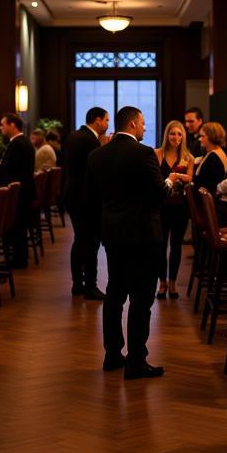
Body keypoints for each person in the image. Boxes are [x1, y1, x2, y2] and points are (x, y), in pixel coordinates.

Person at [86, 105, 170, 379]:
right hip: (144, 234)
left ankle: (112, 355)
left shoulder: (97, 155)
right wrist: (170, 183)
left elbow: (93, 197)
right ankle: (136, 360)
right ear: (133, 125)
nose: (145, 128)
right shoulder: (144, 154)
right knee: (141, 298)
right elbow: (159, 193)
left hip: (113, 233)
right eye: (143, 123)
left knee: (115, 294)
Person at [63, 106, 109, 299]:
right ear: (97, 120)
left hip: (74, 196)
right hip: (84, 199)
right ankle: (89, 286)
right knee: (90, 242)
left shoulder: (76, 135)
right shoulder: (89, 140)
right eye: (106, 120)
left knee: (80, 240)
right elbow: (98, 168)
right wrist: (105, 148)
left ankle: (78, 284)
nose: (107, 124)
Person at [154, 120, 193, 299]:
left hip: (180, 207)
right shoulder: (157, 154)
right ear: (166, 135)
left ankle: (172, 283)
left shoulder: (188, 157)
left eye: (179, 134)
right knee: (160, 246)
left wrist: (178, 176)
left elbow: (190, 178)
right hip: (161, 206)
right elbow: (154, 179)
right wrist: (177, 177)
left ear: (183, 136)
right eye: (172, 133)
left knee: (176, 246)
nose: (176, 137)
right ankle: (161, 282)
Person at [0, 113, 35, 268]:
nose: (0, 127)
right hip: (25, 190)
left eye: (3, 124)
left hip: (20, 192)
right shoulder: (24, 141)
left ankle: (18, 260)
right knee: (19, 227)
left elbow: (8, 167)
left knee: (17, 227)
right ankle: (19, 258)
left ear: (12, 125)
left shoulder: (17, 143)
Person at [183, 121, 227, 194]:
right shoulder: (218, 152)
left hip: (206, 202)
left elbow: (203, 185)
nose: (199, 139)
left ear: (212, 137)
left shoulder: (213, 157)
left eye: (202, 136)